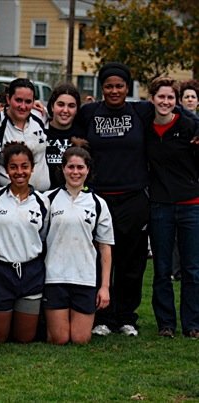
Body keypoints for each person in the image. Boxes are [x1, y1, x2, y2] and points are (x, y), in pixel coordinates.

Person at [74, 62, 152, 337]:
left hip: (133, 197)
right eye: (109, 86)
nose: (114, 90)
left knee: (132, 261)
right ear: (101, 87)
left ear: (127, 88)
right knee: (99, 259)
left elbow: (174, 113)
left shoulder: (141, 111)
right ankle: (102, 317)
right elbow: (68, 134)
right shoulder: (89, 113)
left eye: (119, 86)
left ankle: (127, 317)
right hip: (100, 197)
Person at [43, 147, 114, 344]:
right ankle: (50, 328)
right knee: (60, 339)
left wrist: (105, 287)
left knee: (80, 339)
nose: (75, 172)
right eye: (71, 167)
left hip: (85, 278)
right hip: (55, 277)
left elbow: (105, 247)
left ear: (88, 170)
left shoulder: (98, 204)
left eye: (80, 167)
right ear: (63, 169)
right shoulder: (48, 199)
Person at [146, 77, 199, 339]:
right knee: (162, 268)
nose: (165, 102)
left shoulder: (191, 126)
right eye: (161, 97)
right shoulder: (146, 127)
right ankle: (166, 323)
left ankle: (192, 324)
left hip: (190, 205)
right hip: (160, 206)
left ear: (176, 101)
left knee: (192, 268)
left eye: (170, 98)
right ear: (152, 98)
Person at [0, 143, 49, 343]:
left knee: (24, 338)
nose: (19, 172)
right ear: (6, 169)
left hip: (30, 272)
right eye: (13, 167)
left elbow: (43, 235)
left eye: (24, 166)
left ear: (32, 168)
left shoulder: (43, 201)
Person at [0, 78, 50, 191]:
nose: (23, 106)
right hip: (8, 198)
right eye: (18, 100)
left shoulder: (40, 116)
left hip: (41, 197)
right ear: (8, 99)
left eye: (28, 101)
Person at [45, 83, 82, 189]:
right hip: (44, 196)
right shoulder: (39, 130)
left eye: (71, 106)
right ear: (52, 106)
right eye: (60, 104)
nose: (65, 110)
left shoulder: (83, 135)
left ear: (77, 109)